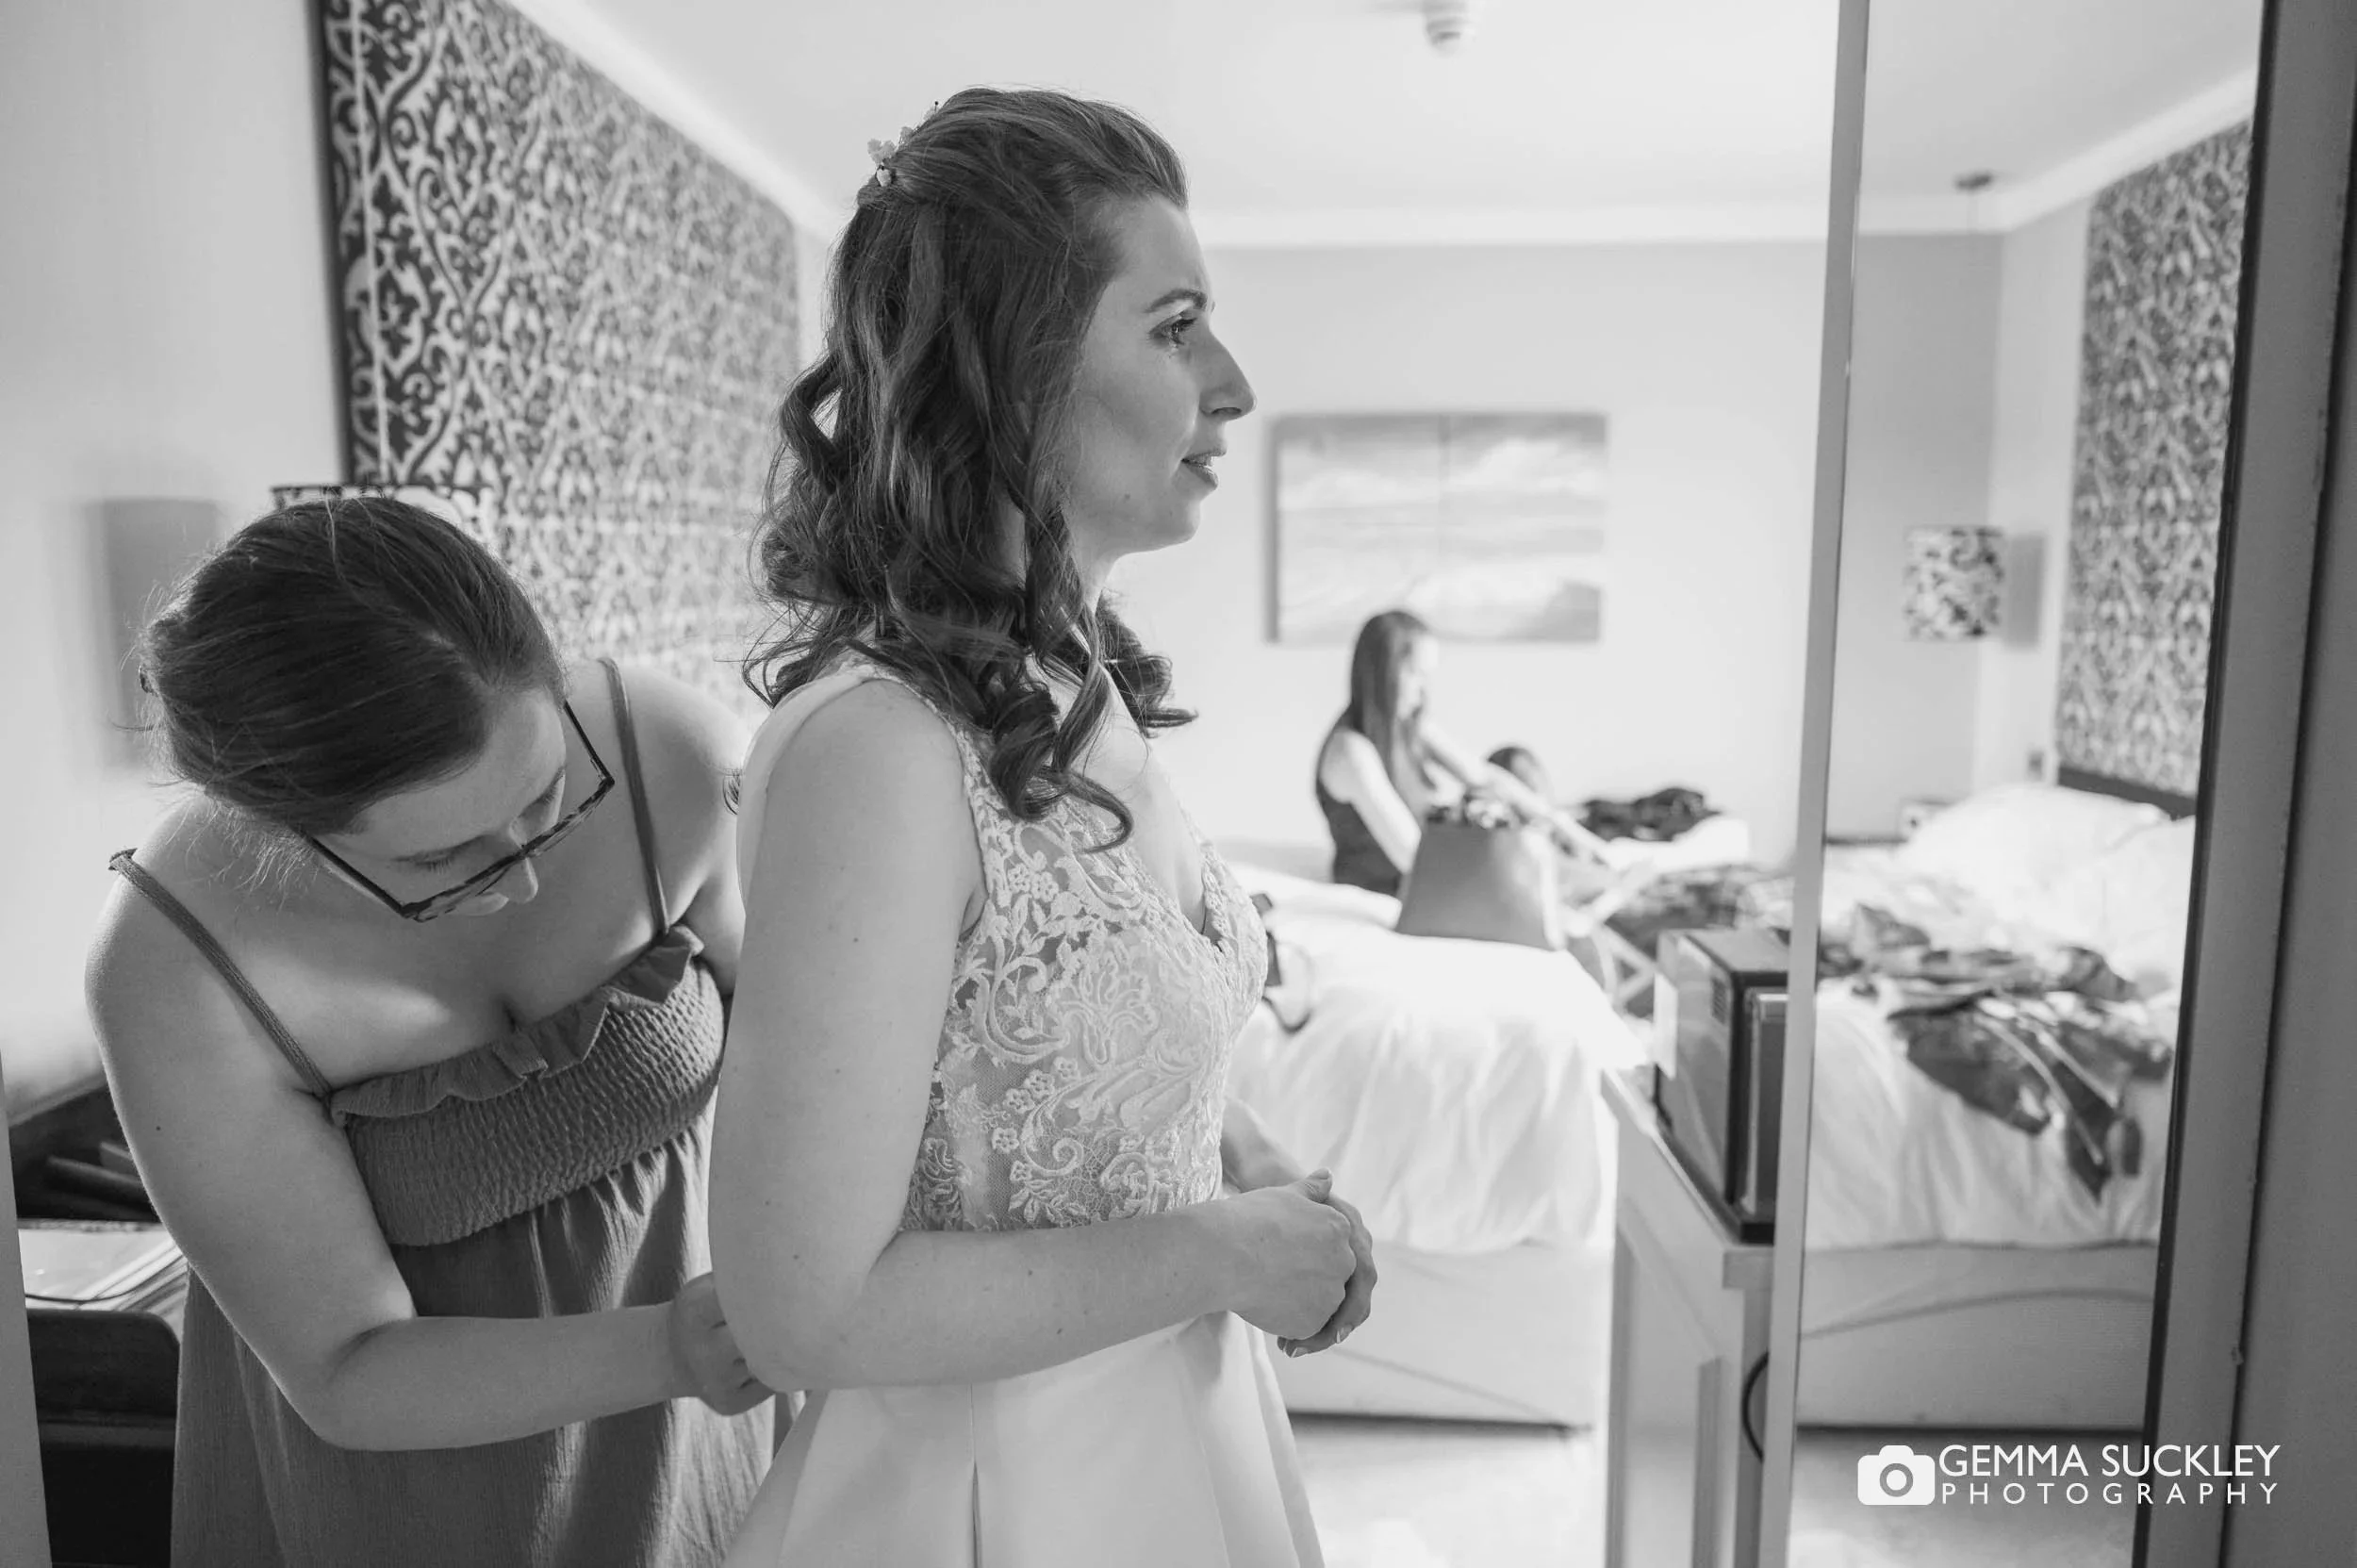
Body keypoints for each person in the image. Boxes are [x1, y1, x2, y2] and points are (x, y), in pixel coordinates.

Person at [710, 88, 1374, 1567]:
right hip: (991, 1500)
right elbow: (801, 1303)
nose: (1236, 383)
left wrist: (1239, 1161)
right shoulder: (877, 752)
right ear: (1016, 372)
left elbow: (1056, 1071)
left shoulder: (1073, 682)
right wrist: (1219, 1250)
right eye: (1177, 323)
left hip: (1175, 1443)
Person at [83, 497, 775, 1567]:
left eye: (549, 797)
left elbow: (790, 1060)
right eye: (439, 862)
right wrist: (674, 1346)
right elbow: (349, 1365)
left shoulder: (656, 757)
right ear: (277, 825)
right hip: (422, 1494)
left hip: (715, 1428)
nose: (526, 871)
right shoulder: (172, 973)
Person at [1315, 608, 1608, 896]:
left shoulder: (1406, 724)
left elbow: (1485, 778)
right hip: (1400, 883)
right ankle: (1577, 875)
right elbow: (1414, 859)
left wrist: (1570, 830)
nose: (1423, 690)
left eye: (1428, 675)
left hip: (1432, 862)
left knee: (1513, 762)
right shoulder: (1352, 754)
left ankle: (1582, 865)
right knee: (1516, 837)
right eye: (1416, 674)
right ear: (1382, 675)